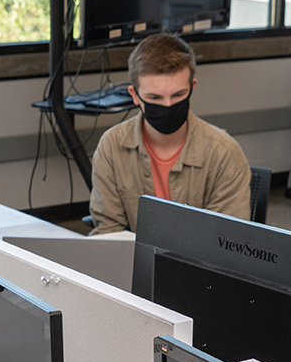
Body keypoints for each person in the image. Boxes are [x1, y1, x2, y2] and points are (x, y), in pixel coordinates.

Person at [89, 32, 251, 234]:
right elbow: (109, 233)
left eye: (178, 94)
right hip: (133, 262)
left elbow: (225, 241)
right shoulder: (112, 145)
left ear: (192, 87)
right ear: (135, 96)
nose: (168, 105)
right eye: (155, 97)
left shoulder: (224, 152)